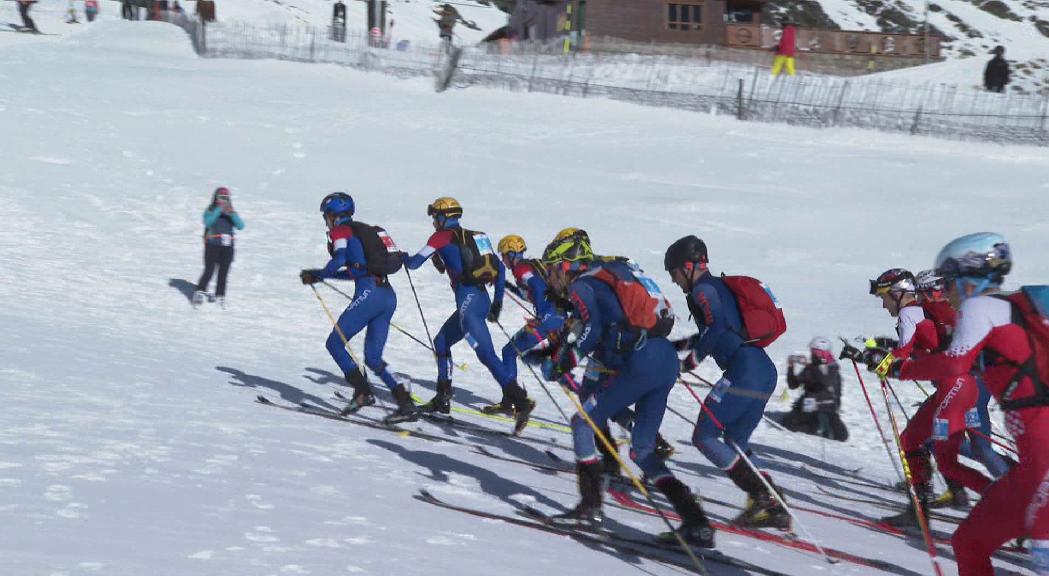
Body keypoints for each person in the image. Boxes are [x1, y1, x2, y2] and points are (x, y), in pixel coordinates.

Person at [869, 233, 1049, 576]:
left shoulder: (982, 306)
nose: (941, 293)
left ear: (968, 278)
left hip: (1045, 448)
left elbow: (954, 364)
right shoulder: (1006, 311)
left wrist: (899, 368)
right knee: (969, 542)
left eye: (947, 283)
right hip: (1032, 461)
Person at [539, 232, 715, 546]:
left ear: (567, 265)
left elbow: (591, 331)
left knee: (583, 422)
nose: (551, 278)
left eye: (552, 269)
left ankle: (590, 507)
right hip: (663, 359)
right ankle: (696, 522)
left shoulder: (583, 284)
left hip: (641, 362)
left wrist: (564, 363)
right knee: (642, 450)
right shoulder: (614, 271)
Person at [847, 268, 992, 528]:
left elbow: (901, 357)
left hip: (955, 387)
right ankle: (919, 508)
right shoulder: (921, 311)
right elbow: (918, 351)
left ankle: (1006, 503)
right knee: (913, 440)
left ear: (898, 293)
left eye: (884, 297)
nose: (883, 305)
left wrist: (869, 358)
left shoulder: (907, 313)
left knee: (950, 458)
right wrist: (873, 355)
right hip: (955, 387)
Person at [664, 235, 789, 530]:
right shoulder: (715, 287)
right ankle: (774, 502)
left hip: (744, 371)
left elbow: (717, 329)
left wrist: (690, 362)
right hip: (762, 371)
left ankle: (763, 497)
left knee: (704, 437)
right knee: (735, 441)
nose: (674, 280)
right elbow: (716, 331)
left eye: (673, 273)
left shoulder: (703, 290)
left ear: (687, 267)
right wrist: (674, 350)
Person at [403, 197, 535, 434]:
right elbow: (500, 267)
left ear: (443, 217)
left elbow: (413, 263)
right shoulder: (477, 236)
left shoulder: (440, 237)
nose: (433, 222)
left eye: (435, 217)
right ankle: (443, 398)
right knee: (442, 341)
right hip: (480, 299)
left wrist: (401, 258)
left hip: (468, 302)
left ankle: (520, 401)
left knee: (485, 353)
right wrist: (497, 304)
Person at [299, 193, 418, 423]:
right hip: (387, 295)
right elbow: (356, 271)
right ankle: (406, 403)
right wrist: (322, 277)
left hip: (369, 294)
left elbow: (339, 258)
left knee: (334, 343)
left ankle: (363, 393)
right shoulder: (364, 231)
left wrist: (320, 274)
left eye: (326, 217)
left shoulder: (340, 232)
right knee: (373, 358)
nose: (326, 221)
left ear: (333, 216)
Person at [914, 269, 1011, 509]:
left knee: (979, 447)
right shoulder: (940, 311)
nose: (924, 298)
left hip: (973, 386)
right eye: (922, 293)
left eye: (929, 292)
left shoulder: (947, 311)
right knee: (970, 446)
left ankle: (1017, 496)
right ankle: (1013, 482)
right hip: (968, 385)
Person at [486, 234, 565, 415]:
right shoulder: (526, 268)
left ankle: (512, 400)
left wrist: (540, 316)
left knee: (509, 351)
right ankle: (511, 399)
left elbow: (537, 287)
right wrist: (506, 285)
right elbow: (528, 293)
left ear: (511, 254)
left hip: (546, 320)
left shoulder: (521, 269)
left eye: (504, 255)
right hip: (556, 318)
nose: (502, 259)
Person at [783, 337, 847, 441]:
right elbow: (793, 385)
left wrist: (810, 366)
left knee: (841, 435)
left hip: (827, 409)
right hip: (809, 407)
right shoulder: (811, 368)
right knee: (789, 423)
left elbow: (824, 381)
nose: (812, 354)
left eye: (814, 352)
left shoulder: (832, 368)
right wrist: (791, 367)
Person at [194, 187, 244, 308]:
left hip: (227, 247)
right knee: (209, 270)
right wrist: (218, 210)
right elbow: (207, 222)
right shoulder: (211, 210)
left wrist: (231, 213)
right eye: (220, 197)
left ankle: (220, 295)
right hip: (213, 245)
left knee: (223, 272)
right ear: (215, 198)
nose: (222, 200)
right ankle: (200, 290)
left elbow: (241, 225)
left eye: (225, 198)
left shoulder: (230, 212)